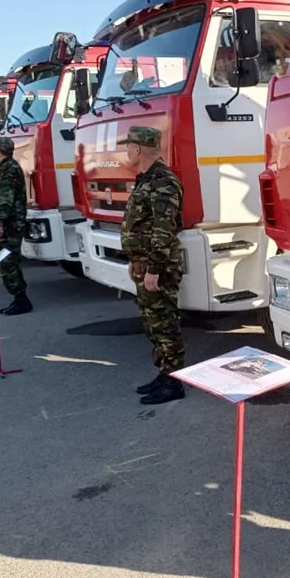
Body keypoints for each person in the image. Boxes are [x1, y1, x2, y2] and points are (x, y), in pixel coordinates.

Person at [119, 125, 186, 405]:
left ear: (137, 149)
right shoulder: (147, 179)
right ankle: (165, 373)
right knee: (152, 323)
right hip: (144, 264)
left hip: (157, 266)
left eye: (128, 147)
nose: (126, 151)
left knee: (164, 323)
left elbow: (163, 230)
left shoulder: (162, 181)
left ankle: (175, 381)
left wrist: (154, 269)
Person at [0, 136, 31, 315]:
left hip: (9, 224)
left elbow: (6, 200)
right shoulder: (6, 168)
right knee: (8, 261)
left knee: (8, 262)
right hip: (10, 223)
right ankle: (19, 299)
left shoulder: (8, 170)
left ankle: (21, 300)